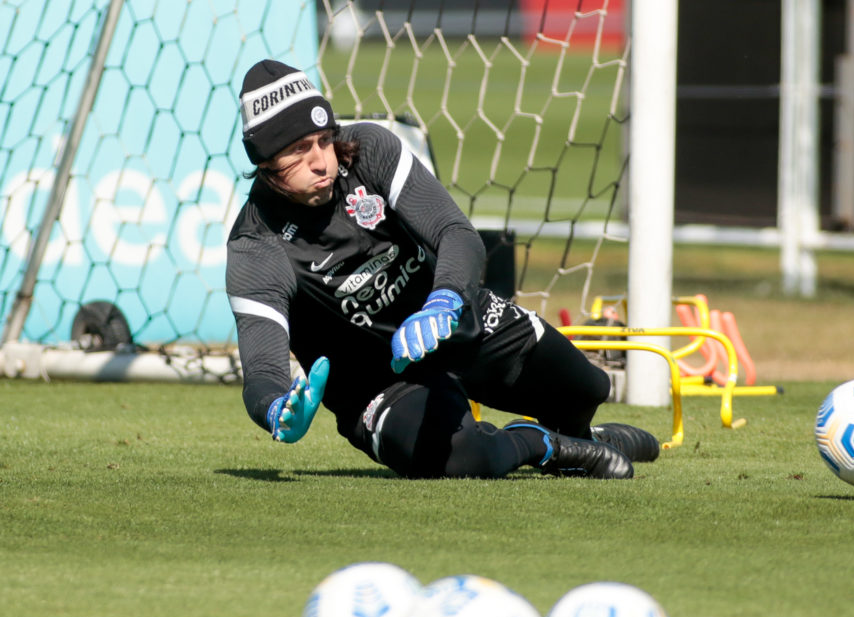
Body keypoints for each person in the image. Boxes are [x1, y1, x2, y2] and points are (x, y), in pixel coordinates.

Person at [226, 59, 661, 479]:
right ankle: (539, 443)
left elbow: (456, 233)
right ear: (265, 164)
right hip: (378, 384)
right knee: (466, 458)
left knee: (587, 388)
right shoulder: (255, 246)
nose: (322, 161)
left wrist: (445, 299)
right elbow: (262, 371)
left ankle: (582, 436)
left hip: (452, 321)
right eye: (299, 151)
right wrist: (276, 408)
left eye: (323, 140)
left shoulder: (369, 149)